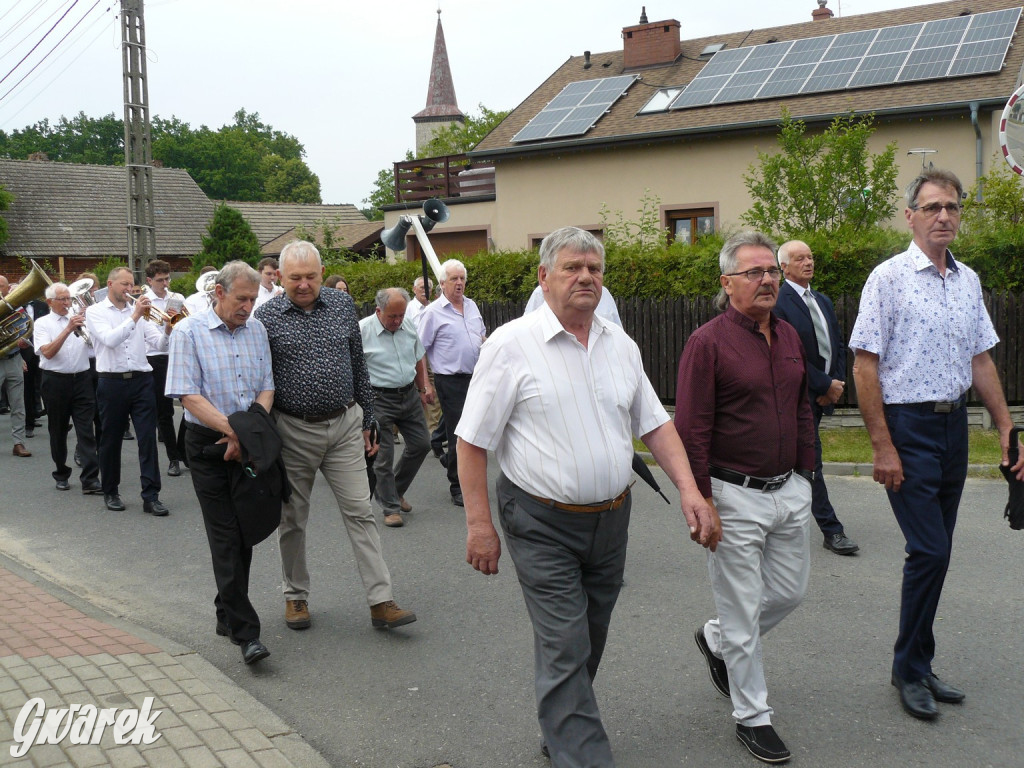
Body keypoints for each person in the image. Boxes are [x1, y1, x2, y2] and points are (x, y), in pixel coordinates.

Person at [458, 226, 721, 768]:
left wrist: (691, 492)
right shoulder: (510, 345)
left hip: (610, 520)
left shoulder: (618, 344)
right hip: (538, 520)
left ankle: (561, 728)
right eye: (572, 267)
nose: (585, 277)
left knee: (589, 638)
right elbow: (472, 440)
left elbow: (654, 424)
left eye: (594, 269)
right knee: (566, 642)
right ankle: (582, 754)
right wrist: (479, 525)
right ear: (544, 277)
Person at [849, 168, 1024, 721]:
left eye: (951, 207)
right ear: (911, 216)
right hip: (907, 429)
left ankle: (920, 663)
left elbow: (980, 360)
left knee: (935, 554)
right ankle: (907, 668)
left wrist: (1004, 427)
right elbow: (864, 366)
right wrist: (881, 446)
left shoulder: (967, 281)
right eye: (931, 207)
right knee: (930, 551)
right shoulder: (888, 278)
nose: (943, 215)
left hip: (953, 431)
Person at [675, 231, 815, 765]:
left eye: (772, 271)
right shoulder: (707, 343)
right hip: (733, 494)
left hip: (788, 489)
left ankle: (715, 639)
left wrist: (807, 474)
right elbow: (692, 429)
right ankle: (753, 716)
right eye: (754, 272)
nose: (767, 280)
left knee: (789, 592)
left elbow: (802, 408)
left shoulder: (789, 335)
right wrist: (702, 499)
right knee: (741, 612)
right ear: (726, 282)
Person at [255, 240, 415, 632]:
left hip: (344, 425)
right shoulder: (267, 316)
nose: (304, 284)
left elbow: (358, 364)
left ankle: (381, 601)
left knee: (361, 513)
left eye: (311, 276)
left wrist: (369, 418)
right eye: (295, 278)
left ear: (322, 274)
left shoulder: (342, 306)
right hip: (293, 429)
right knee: (292, 517)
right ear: (280, 276)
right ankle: (295, 596)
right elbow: (260, 378)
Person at [167, 260, 277, 665]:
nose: (248, 306)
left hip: (245, 439)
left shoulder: (258, 329)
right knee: (226, 535)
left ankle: (224, 612)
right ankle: (247, 634)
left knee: (245, 530)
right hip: (207, 444)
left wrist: (246, 434)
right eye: (241, 299)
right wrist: (233, 433)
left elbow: (266, 387)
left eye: (252, 299)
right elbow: (187, 395)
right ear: (218, 293)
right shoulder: (188, 331)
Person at [773, 240, 859, 555]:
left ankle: (776, 518)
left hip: (822, 393)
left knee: (797, 461)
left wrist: (834, 383)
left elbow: (835, 341)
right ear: (784, 267)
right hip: (796, 397)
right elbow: (789, 354)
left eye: (810, 256)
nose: (808, 262)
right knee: (811, 461)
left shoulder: (821, 300)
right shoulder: (779, 302)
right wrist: (823, 384)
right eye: (800, 258)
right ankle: (831, 530)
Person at [84, 266, 170, 516]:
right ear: (110, 285)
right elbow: (110, 340)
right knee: (110, 440)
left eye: (131, 284)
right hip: (112, 382)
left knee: (147, 439)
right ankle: (111, 491)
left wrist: (168, 328)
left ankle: (151, 496)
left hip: (142, 379)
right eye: (124, 284)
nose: (129, 289)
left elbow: (158, 344)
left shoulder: (141, 314)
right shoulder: (95, 311)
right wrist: (134, 316)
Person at [359, 288, 433, 528]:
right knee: (383, 456)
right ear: (378, 311)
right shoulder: (362, 330)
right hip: (378, 398)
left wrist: (423, 389)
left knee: (422, 444)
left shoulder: (408, 325)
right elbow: (353, 369)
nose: (397, 321)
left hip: (409, 394)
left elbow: (419, 357)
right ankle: (390, 507)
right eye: (392, 316)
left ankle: (395, 491)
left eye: (401, 315)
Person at [418, 259, 485, 507]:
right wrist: (426, 383)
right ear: (442, 283)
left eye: (462, 279)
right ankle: (457, 485)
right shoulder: (433, 312)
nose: (459, 283)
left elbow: (481, 336)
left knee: (477, 431)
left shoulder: (472, 306)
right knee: (460, 435)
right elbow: (419, 350)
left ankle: (455, 465)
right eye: (454, 279)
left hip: (476, 379)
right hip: (450, 381)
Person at [32, 283, 101, 493]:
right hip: (55, 381)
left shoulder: (80, 319)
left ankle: (90, 479)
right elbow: (48, 352)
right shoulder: (42, 323)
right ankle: (61, 472)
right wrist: (68, 329)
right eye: (61, 299)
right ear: (49, 302)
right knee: (58, 431)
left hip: (82, 379)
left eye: (68, 298)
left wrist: (91, 324)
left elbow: (95, 348)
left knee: (86, 430)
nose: (66, 303)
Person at [142, 259, 186, 477]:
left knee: (190, 405)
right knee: (165, 411)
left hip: (178, 354)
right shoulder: (144, 302)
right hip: (156, 357)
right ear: (149, 281)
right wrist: (167, 325)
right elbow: (151, 337)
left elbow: (185, 326)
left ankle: (184, 450)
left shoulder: (177, 298)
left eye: (167, 278)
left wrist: (183, 317)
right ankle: (173, 457)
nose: (165, 284)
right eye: (160, 280)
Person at [404, 276, 443, 447]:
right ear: (413, 290)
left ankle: (434, 430)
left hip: (431, 354)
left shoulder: (435, 308)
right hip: (413, 354)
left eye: (427, 287)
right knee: (414, 390)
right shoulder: (410, 309)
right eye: (421, 287)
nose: (424, 290)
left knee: (432, 390)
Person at [0, 274, 31, 458]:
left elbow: (25, 330)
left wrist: (23, 345)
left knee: (18, 404)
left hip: (13, 359)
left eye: (2, 286)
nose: (1, 289)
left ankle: (18, 442)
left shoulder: (16, 308)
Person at [524, 282, 622, 326]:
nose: (585, 277)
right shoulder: (542, 293)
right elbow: (528, 331)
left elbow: (616, 332)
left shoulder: (603, 294)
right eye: (571, 268)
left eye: (592, 268)